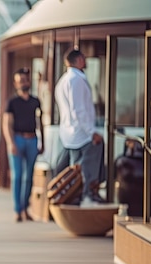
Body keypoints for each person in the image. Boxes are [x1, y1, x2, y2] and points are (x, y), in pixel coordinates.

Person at [54, 48, 105, 205]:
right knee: (86, 169)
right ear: (79, 60)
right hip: (81, 134)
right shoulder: (76, 80)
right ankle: (87, 196)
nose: (86, 61)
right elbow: (79, 110)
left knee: (76, 169)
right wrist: (91, 133)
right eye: (84, 58)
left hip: (70, 133)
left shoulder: (63, 80)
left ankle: (78, 197)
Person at [2, 67, 44, 222]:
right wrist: (10, 143)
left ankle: (26, 208)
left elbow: (40, 123)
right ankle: (18, 210)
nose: (23, 83)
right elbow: (7, 124)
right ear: (15, 83)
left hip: (32, 139)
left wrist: (42, 141)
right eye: (20, 81)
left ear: (29, 81)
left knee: (29, 177)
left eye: (25, 80)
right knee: (18, 176)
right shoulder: (12, 102)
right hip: (17, 140)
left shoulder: (35, 101)